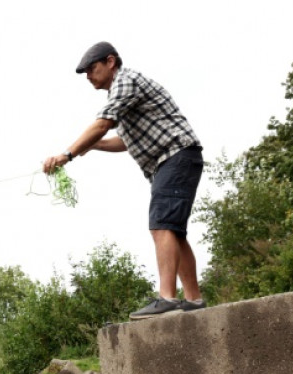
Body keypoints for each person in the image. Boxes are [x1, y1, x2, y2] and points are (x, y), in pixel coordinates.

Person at [43, 41, 205, 320]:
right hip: (175, 160)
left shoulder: (126, 81)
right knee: (173, 230)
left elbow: (103, 124)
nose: (89, 77)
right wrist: (90, 146)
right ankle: (194, 301)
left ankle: (167, 298)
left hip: (176, 156)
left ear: (110, 61)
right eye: (85, 74)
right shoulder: (122, 95)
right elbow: (125, 142)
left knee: (161, 224)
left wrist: (68, 154)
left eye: (92, 69)